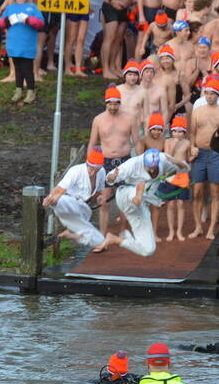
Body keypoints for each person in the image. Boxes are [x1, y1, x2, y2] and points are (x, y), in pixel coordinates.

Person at [94, 148, 191, 256]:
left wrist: (178, 162)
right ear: (144, 161)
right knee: (136, 192)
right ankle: (138, 195)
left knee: (148, 250)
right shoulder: (133, 164)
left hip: (140, 207)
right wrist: (113, 176)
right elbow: (109, 179)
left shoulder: (164, 159)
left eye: (154, 167)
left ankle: (113, 239)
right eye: (149, 167)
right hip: (125, 196)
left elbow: (185, 170)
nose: (153, 170)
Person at [88, 85, 137, 235]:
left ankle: (122, 232)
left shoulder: (129, 118)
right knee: (103, 201)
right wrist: (89, 165)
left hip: (124, 161)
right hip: (106, 162)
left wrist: (141, 164)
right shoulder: (98, 120)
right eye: (110, 103)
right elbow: (92, 142)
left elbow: (137, 141)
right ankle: (102, 237)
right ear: (106, 103)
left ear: (120, 103)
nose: (113, 106)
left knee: (125, 201)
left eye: (116, 103)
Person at [190, 77, 219, 240]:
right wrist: (192, 147)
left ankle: (211, 228)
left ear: (218, 94)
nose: (209, 96)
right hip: (200, 153)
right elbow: (192, 134)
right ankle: (198, 227)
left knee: (215, 191)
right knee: (197, 190)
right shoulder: (197, 112)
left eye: (212, 93)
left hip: (217, 154)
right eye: (206, 93)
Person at [42, 147, 106, 248]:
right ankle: (54, 202)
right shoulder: (76, 171)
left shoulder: (102, 172)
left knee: (100, 242)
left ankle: (70, 233)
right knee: (61, 199)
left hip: (83, 209)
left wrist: (99, 198)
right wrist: (51, 197)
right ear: (87, 164)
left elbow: (97, 193)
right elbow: (61, 188)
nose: (93, 173)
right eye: (91, 169)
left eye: (96, 170)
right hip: (68, 202)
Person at [0, 0, 44, 105]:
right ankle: (18, 89)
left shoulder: (33, 8)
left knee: (27, 69)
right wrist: (8, 20)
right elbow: (1, 22)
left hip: (27, 45)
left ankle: (31, 90)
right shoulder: (10, 8)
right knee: (17, 68)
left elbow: (41, 23)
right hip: (14, 44)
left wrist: (29, 20)